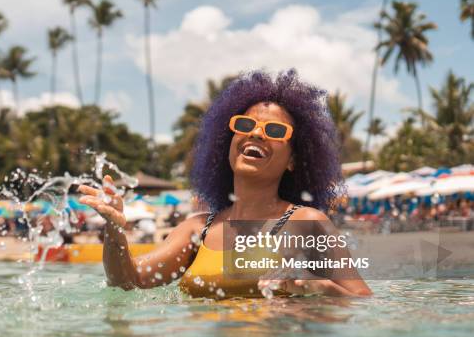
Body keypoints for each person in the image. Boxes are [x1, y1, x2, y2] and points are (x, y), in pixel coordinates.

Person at [79, 69, 371, 298]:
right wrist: (115, 231)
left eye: (274, 130)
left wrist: (318, 289)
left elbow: (362, 302)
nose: (256, 134)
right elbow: (129, 281)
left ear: (294, 159)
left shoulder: (307, 223)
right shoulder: (197, 229)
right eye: (245, 125)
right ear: (227, 143)